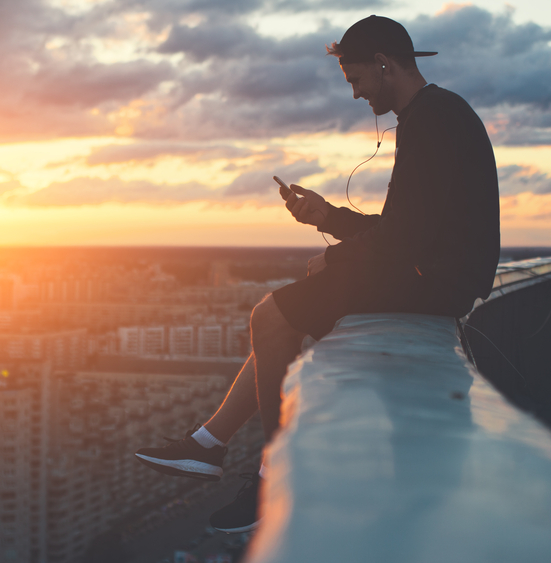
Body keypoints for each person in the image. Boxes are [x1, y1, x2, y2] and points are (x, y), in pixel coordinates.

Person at [135, 15, 500, 534]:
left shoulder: (432, 119)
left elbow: (405, 239)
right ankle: (209, 443)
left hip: (436, 281)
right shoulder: (434, 114)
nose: (354, 95)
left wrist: (335, 258)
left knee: (271, 313)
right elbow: (406, 227)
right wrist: (328, 219)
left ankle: (272, 472)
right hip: (437, 272)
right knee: (278, 317)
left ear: (383, 65)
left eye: (355, 81)